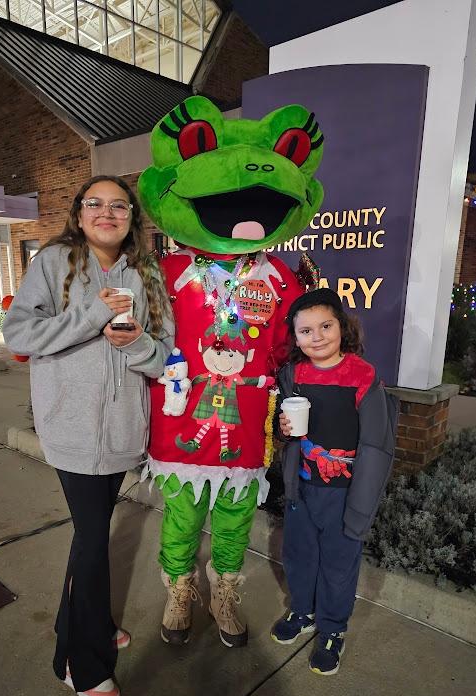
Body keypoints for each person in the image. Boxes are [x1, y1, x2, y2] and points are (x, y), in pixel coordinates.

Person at [138, 96, 324, 648]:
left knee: (236, 515)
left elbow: (298, 345)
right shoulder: (165, 271)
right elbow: (131, 333)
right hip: (181, 416)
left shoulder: (282, 280)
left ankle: (223, 592)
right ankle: (179, 591)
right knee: (182, 514)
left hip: (248, 419)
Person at [2, 176, 174, 696]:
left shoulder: (148, 271)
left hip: (122, 428)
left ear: (131, 217)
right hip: (71, 428)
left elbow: (167, 351)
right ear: (78, 214)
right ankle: (80, 662)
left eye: (118, 205)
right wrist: (92, 314)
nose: (107, 213)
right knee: (93, 540)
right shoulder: (53, 263)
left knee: (88, 539)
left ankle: (85, 622)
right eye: (94, 203)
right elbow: (20, 334)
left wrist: (137, 342)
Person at [270, 288, 398, 675]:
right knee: (300, 555)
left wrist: (362, 505)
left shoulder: (363, 376)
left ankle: (332, 628)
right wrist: (282, 428)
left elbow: (376, 446)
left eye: (326, 326)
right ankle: (304, 611)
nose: (318, 337)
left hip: (343, 494)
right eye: (306, 331)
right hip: (302, 489)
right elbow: (284, 433)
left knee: (339, 564)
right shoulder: (294, 374)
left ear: (342, 327)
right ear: (295, 337)